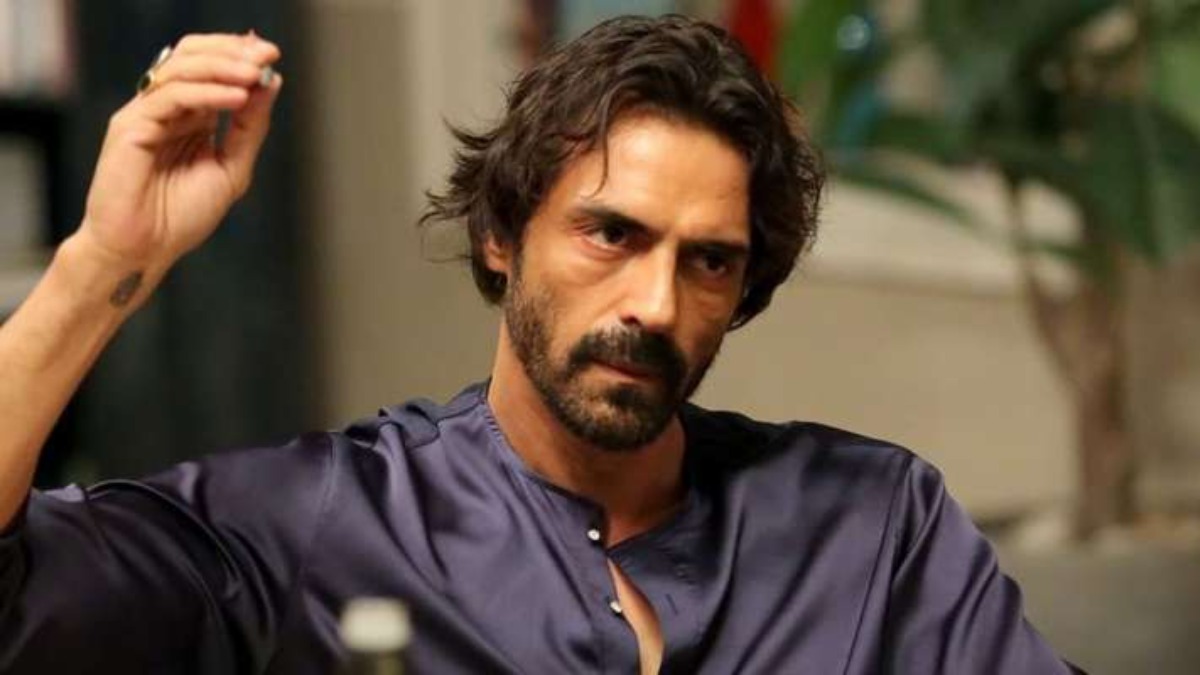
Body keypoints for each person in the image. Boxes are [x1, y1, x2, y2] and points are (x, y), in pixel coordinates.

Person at [0, 15, 1084, 675]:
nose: (654, 303)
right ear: (502, 234)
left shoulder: (872, 522)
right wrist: (103, 262)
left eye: (709, 261)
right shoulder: (321, 524)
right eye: (611, 233)